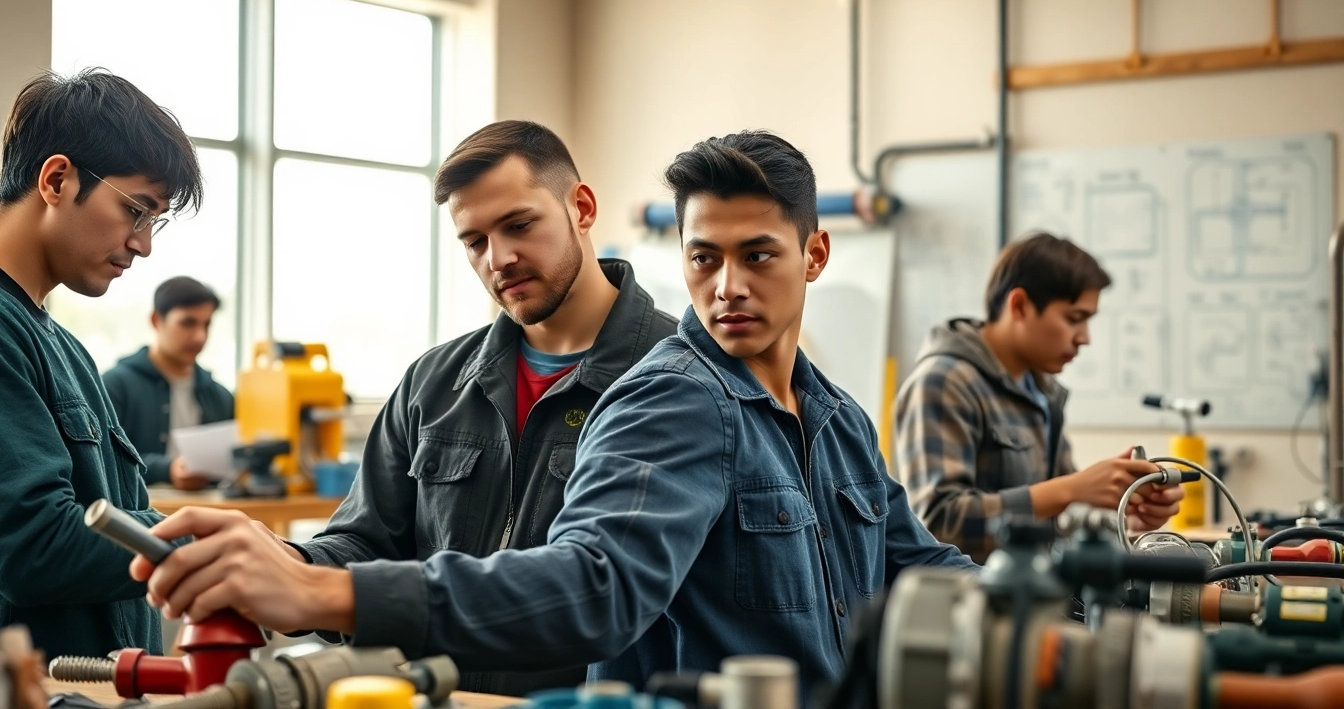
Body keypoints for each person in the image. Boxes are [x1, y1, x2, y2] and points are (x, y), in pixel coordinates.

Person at [130, 130, 974, 698]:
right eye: (474, 241)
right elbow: (375, 541)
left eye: (520, 225)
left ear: (580, 208)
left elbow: (907, 559)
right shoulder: (446, 384)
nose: (499, 258)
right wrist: (285, 567)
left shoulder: (791, 408)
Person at [0, 68, 202, 656]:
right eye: (136, 211)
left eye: (153, 221)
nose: (143, 243)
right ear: (58, 179)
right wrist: (200, 543)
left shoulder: (62, 346)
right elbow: (35, 546)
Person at [894, 232, 1184, 563]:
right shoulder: (945, 382)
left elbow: (1061, 521)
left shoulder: (1042, 392)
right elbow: (937, 522)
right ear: (1019, 306)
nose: (1084, 338)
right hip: (969, 605)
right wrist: (1070, 489)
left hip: (1035, 597)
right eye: (1074, 319)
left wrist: (1129, 516)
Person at [103, 276, 234, 490]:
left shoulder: (219, 396)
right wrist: (167, 469)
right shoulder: (115, 385)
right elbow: (102, 459)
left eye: (206, 324)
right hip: (137, 516)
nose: (200, 336)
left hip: (209, 515)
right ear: (156, 320)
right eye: (188, 323)